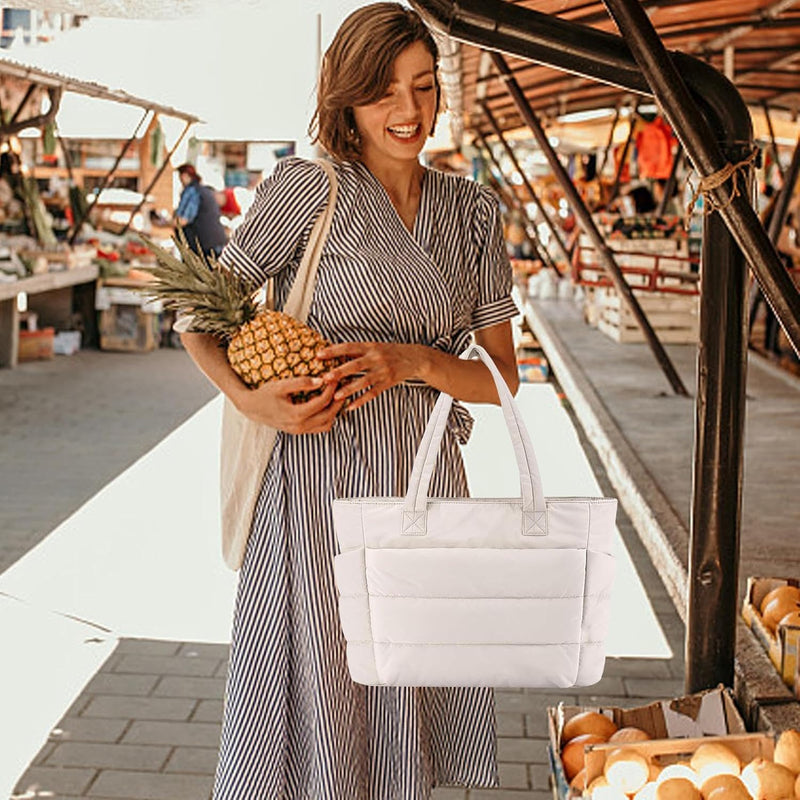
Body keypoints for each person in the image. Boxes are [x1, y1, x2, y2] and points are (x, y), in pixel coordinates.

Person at [180, 4, 519, 797]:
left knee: (406, 691)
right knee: (317, 706)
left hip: (423, 486)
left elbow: (505, 381)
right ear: (346, 101)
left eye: (424, 88)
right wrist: (253, 402)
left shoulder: (473, 212)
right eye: (383, 92)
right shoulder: (308, 189)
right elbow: (198, 316)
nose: (409, 112)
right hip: (310, 491)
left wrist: (417, 363)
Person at [174, 163, 228, 258]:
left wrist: (163, 224)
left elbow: (183, 220)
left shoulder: (192, 191)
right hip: (217, 241)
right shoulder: (205, 190)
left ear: (185, 176)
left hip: (203, 246)